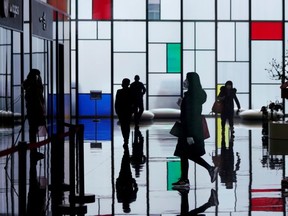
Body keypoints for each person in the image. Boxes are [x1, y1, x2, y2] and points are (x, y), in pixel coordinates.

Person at [172, 72, 219, 188]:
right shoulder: (196, 95)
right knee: (186, 154)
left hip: (189, 130)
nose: (185, 82)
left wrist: (188, 135)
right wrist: (182, 104)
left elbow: (189, 115)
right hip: (193, 129)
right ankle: (185, 179)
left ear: (191, 82)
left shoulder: (191, 97)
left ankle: (207, 170)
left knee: (186, 154)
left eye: (187, 79)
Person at [116, 146, 138, 213]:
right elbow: (117, 189)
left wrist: (133, 181)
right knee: (124, 165)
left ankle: (126, 153)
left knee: (125, 165)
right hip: (124, 179)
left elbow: (136, 189)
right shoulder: (120, 199)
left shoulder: (132, 198)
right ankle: (126, 153)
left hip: (126, 179)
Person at [115, 78, 133, 144]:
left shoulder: (119, 91)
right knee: (127, 125)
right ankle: (126, 138)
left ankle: (125, 138)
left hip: (121, 110)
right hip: (128, 110)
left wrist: (116, 110)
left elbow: (117, 102)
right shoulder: (130, 91)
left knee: (123, 125)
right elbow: (133, 101)